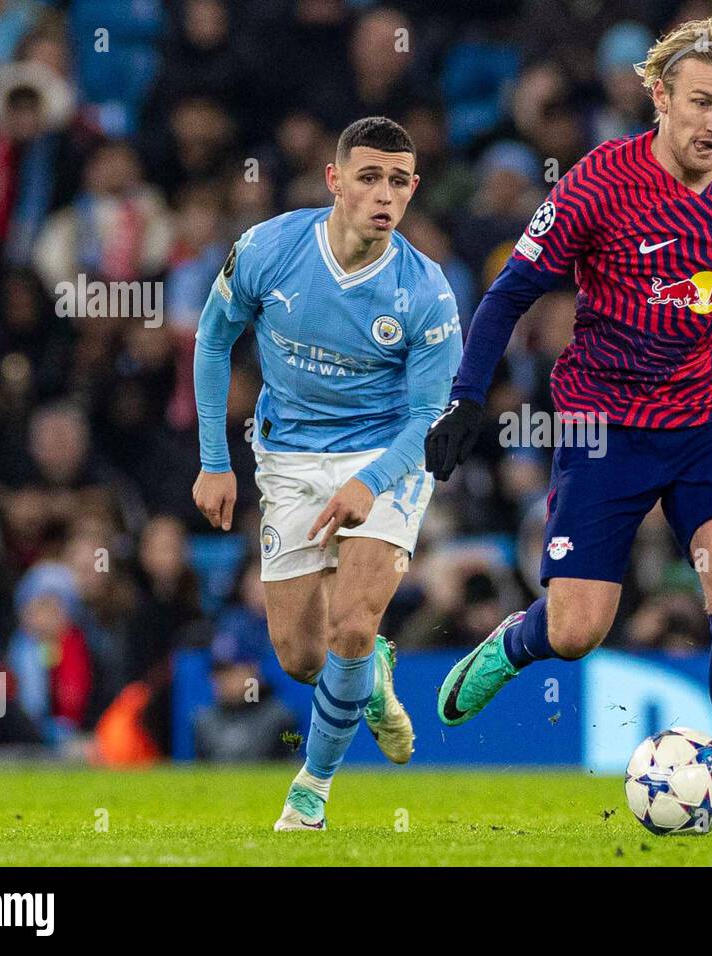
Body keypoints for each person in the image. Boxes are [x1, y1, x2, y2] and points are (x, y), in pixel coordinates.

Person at [425, 18, 712, 835]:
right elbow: (510, 293)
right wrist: (465, 396)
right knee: (578, 631)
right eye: (701, 102)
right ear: (659, 96)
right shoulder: (600, 181)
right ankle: (517, 642)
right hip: (606, 425)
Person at [192, 116, 463, 831]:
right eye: (368, 177)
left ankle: (311, 789)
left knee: (351, 623)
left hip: (387, 457)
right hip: (287, 460)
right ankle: (369, 676)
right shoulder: (270, 248)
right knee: (304, 658)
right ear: (335, 180)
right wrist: (214, 461)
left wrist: (369, 483)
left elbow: (431, 419)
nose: (383, 194)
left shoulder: (427, 293)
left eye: (398, 181)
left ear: (413, 190)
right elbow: (214, 339)